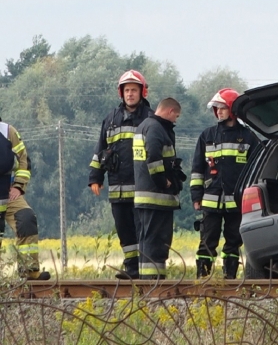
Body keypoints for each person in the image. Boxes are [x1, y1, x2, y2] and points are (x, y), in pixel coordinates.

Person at [88, 70, 153, 279]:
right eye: (127, 90)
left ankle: (145, 270)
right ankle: (131, 269)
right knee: (124, 231)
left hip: (142, 188)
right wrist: (95, 177)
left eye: (134, 90)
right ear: (121, 93)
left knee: (142, 230)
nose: (130, 94)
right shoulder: (111, 119)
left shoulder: (150, 119)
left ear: (142, 92)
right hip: (117, 188)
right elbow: (100, 150)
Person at [190, 88, 259, 279]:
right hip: (210, 200)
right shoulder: (207, 135)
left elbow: (256, 171)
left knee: (233, 242)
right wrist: (196, 196)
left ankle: (230, 279)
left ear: (232, 109)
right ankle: (203, 279)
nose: (218, 112)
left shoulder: (248, 137)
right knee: (207, 241)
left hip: (237, 201)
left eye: (222, 108)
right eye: (216, 108)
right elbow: (197, 169)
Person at [133, 97, 184, 280]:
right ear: (170, 111)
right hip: (156, 196)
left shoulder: (144, 126)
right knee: (156, 242)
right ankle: (153, 283)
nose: (175, 120)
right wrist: (164, 182)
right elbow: (153, 158)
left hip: (146, 196)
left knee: (147, 240)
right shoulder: (156, 128)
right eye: (176, 116)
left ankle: (148, 282)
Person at [0, 116, 50, 280]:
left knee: (26, 218)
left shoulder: (8, 131)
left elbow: (23, 160)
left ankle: (29, 271)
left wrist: (18, 186)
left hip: (8, 194)